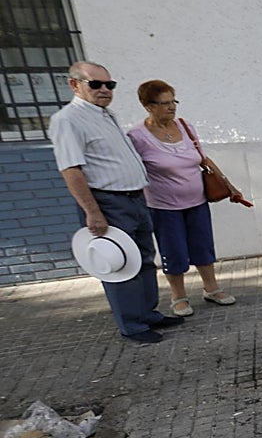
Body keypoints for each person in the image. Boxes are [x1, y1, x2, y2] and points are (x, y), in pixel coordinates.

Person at [49, 60, 183, 344]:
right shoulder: (68, 120)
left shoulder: (104, 114)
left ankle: (148, 313)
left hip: (135, 198)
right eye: (95, 84)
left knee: (144, 260)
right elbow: (71, 169)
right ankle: (133, 325)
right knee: (120, 265)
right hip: (108, 202)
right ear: (75, 84)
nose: (104, 90)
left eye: (109, 85)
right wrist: (93, 212)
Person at [127, 79, 243, 316]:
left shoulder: (185, 125)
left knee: (203, 246)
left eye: (173, 101)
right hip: (163, 206)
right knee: (174, 250)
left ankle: (211, 289)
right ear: (147, 105)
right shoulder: (136, 136)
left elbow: (203, 159)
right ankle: (178, 297)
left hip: (197, 201)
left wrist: (228, 184)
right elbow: (132, 170)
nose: (171, 107)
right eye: (164, 103)